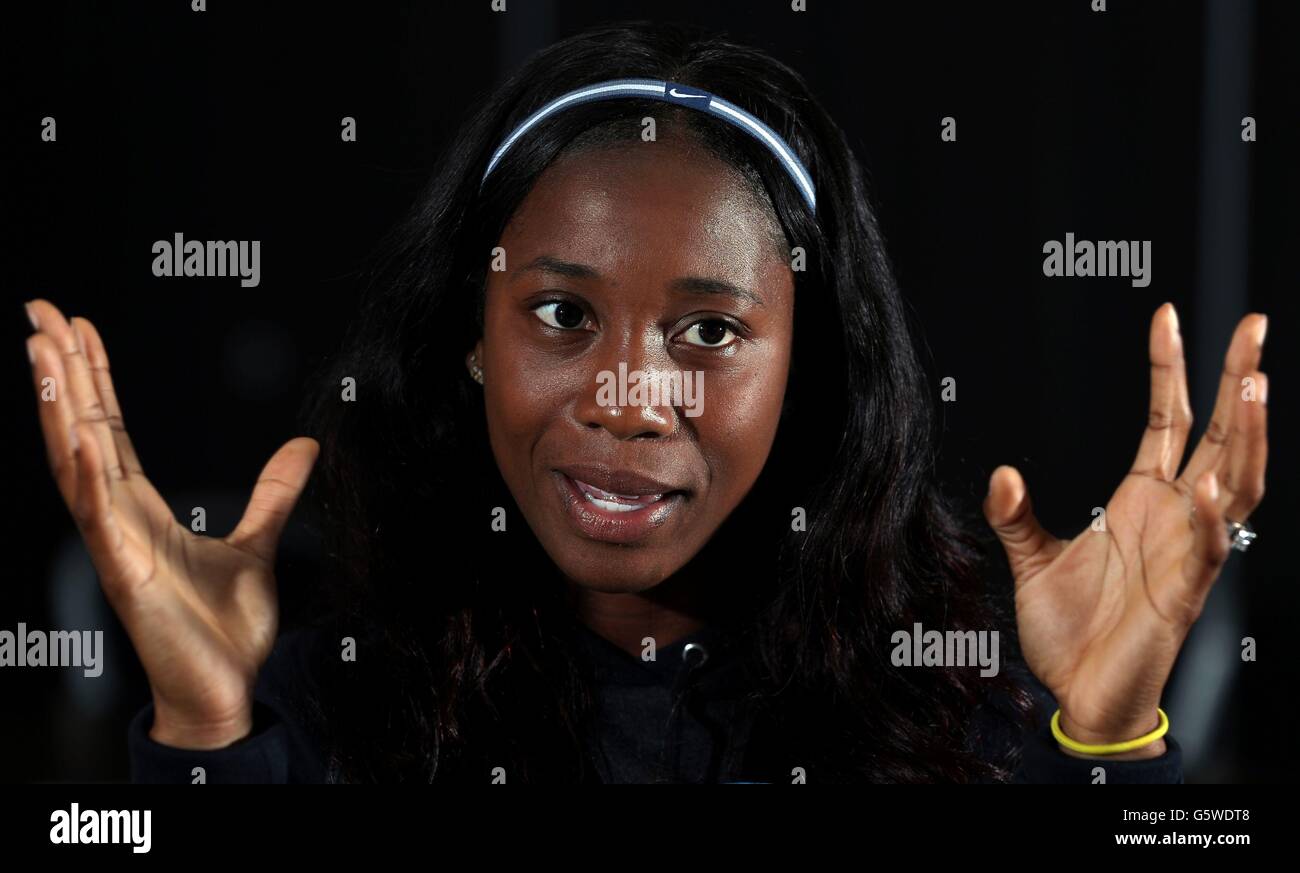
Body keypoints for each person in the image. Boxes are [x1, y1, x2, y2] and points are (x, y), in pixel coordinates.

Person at [22, 22, 1268, 783]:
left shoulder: (960, 722)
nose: (626, 398)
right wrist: (199, 731)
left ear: (810, 367)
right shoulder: (316, 708)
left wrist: (1108, 751)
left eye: (710, 332)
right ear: (470, 337)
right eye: (561, 316)